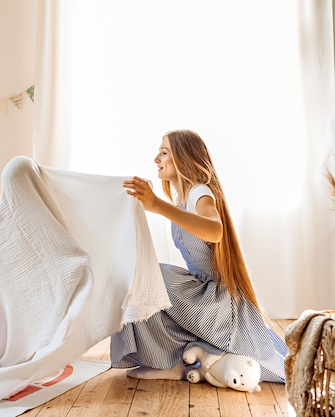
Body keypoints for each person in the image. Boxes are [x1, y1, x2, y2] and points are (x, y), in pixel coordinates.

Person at [110, 129, 287, 382]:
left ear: (183, 158)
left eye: (164, 152)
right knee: (139, 275)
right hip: (201, 291)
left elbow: (215, 231)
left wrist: (158, 205)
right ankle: (172, 361)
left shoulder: (200, 193)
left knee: (148, 274)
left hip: (217, 300)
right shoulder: (183, 201)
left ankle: (173, 364)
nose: (156, 159)